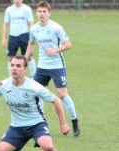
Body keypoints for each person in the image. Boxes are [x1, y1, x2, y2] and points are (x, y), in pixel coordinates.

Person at [25, 1, 80, 137]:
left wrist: (55, 50)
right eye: (40, 11)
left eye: (44, 11)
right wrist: (24, 61)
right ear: (36, 13)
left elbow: (68, 45)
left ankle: (74, 121)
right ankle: (41, 123)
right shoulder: (34, 29)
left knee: (62, 94)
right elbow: (31, 43)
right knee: (35, 92)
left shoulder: (56, 28)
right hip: (42, 67)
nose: (42, 14)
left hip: (57, 66)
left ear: (49, 13)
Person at [2, 0, 36, 77]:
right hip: (13, 36)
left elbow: (31, 24)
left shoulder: (27, 9)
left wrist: (33, 37)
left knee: (29, 57)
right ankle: (11, 78)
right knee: (11, 58)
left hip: (25, 35)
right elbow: (5, 24)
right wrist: (3, 38)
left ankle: (35, 78)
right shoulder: (9, 10)